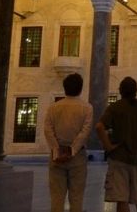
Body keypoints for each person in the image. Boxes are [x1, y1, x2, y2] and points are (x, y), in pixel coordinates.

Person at [96, 77, 137, 212]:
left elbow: (99, 127)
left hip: (120, 158)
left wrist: (108, 146)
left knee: (122, 199)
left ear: (120, 90)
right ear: (136, 91)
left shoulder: (115, 107)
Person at [44, 73, 93, 212]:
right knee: (76, 198)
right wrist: (72, 150)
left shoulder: (53, 107)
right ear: (81, 88)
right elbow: (85, 132)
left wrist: (56, 150)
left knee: (56, 199)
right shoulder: (87, 108)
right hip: (77, 158)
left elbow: (48, 130)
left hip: (56, 158)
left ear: (64, 88)